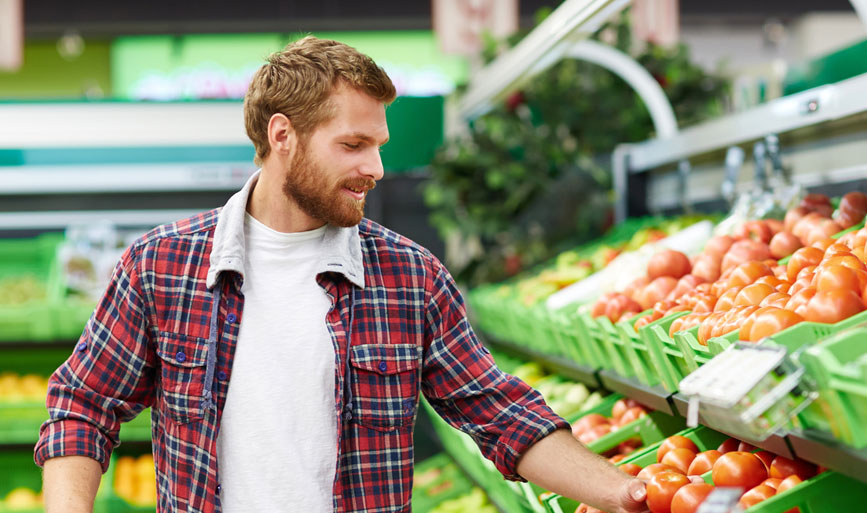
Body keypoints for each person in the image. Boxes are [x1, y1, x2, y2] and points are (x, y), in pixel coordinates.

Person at [36, 36, 651, 513]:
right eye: (354, 145)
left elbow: (500, 414)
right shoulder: (163, 266)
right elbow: (83, 407)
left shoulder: (409, 278)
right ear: (284, 136)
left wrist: (627, 494)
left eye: (379, 145)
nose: (377, 167)